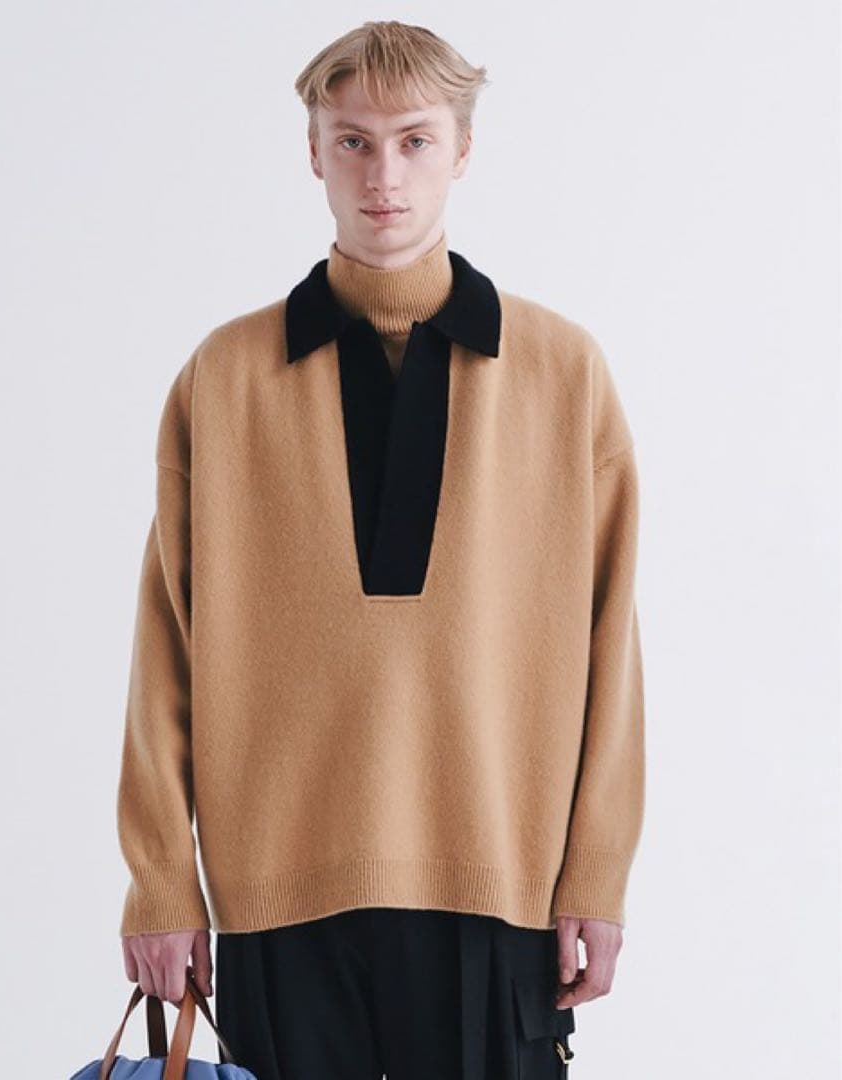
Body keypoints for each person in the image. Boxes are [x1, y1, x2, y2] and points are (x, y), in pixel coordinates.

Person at [116, 19, 645, 1080]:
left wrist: (596, 871)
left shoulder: (561, 372)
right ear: (313, 151)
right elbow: (165, 648)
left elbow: (611, 645)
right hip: (281, 894)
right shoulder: (225, 377)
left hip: (499, 884)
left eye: (414, 141)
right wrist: (162, 880)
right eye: (353, 141)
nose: (383, 175)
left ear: (463, 150)